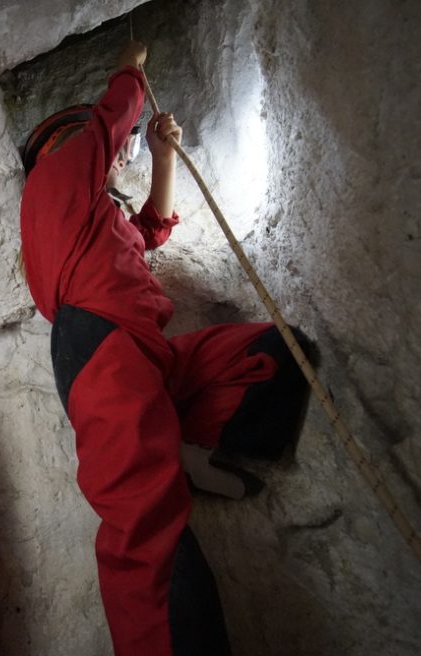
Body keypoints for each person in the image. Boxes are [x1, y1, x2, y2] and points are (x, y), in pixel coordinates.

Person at [19, 40, 312, 655]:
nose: (106, 152)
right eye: (95, 146)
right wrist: (131, 64)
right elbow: (106, 121)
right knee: (145, 528)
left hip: (147, 358)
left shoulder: (98, 221)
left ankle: (178, 445)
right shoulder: (51, 184)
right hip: (100, 347)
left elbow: (151, 228)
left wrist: (161, 155)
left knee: (278, 352)